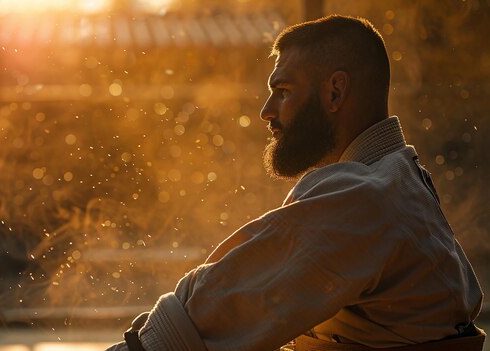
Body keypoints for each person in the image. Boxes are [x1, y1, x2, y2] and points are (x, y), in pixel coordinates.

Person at [107, 15, 484, 351]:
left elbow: (216, 308)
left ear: (335, 92)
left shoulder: (366, 196)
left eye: (283, 91)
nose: (266, 112)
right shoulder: (395, 177)